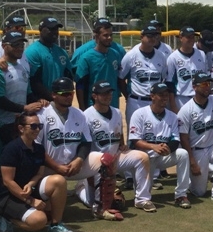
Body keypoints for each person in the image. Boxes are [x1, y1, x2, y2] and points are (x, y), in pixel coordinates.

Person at [0, 31, 45, 224]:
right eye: (15, 45)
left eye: (21, 45)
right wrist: (24, 108)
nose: (20, 48)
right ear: (4, 46)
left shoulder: (22, 68)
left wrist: (39, 101)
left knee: (16, 168)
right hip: (2, 125)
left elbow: (28, 93)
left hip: (19, 126)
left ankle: (13, 205)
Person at [38, 77, 115, 217]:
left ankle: (101, 207)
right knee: (46, 215)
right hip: (48, 169)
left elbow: (86, 142)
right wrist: (56, 166)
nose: (69, 97)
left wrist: (79, 159)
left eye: (71, 93)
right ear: (53, 94)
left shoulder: (79, 114)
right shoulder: (41, 114)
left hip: (74, 165)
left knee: (106, 160)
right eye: (64, 94)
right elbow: (36, 149)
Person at [0, 113, 75, 232]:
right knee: (39, 220)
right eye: (33, 126)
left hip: (28, 190)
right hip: (8, 195)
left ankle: (56, 225)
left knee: (59, 181)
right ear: (21, 128)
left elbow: (39, 173)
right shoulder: (11, 149)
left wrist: (31, 184)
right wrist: (30, 200)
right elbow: (8, 181)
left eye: (39, 126)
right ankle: (7, 218)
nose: (37, 129)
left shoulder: (39, 149)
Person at [82, 81, 153, 213]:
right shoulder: (86, 115)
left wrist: (122, 144)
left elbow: (118, 132)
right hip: (97, 164)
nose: (108, 96)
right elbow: (84, 144)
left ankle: (142, 199)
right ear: (94, 96)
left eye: (109, 92)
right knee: (91, 202)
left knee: (142, 157)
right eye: (103, 94)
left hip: (115, 158)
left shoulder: (116, 112)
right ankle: (81, 189)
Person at [128, 82, 193, 209]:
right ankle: (142, 195)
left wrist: (166, 149)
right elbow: (135, 140)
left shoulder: (172, 116)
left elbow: (175, 139)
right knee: (142, 192)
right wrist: (154, 147)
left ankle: (181, 195)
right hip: (144, 159)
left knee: (182, 154)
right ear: (152, 96)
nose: (165, 98)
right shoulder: (139, 114)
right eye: (161, 95)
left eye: (166, 95)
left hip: (162, 156)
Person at [178, 74, 213, 204]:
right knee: (199, 192)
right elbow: (184, 138)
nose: (207, 87)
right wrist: (192, 162)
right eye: (203, 84)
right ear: (194, 87)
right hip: (196, 150)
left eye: (208, 84)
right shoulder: (186, 110)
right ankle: (193, 181)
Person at [119, 25, 167, 124]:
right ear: (141, 37)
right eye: (149, 36)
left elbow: (163, 79)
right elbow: (120, 78)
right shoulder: (130, 56)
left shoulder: (161, 57)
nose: (152, 39)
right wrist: (127, 95)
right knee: (133, 134)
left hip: (155, 101)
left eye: (155, 36)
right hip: (136, 101)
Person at [75, 18, 122, 110]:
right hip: (94, 105)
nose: (109, 38)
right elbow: (80, 84)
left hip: (113, 103)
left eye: (111, 35)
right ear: (97, 36)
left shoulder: (115, 54)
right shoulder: (86, 57)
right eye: (105, 35)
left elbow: (119, 78)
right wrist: (82, 106)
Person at [24, 17, 71, 102]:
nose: (55, 32)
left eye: (56, 29)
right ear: (41, 30)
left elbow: (68, 76)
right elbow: (34, 82)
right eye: (51, 29)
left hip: (59, 100)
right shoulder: (32, 51)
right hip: (40, 101)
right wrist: (52, 99)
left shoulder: (62, 52)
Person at [166, 26, 208, 112]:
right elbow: (170, 85)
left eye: (193, 37)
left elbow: (206, 78)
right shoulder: (173, 58)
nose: (191, 39)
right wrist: (173, 107)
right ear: (181, 38)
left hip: (199, 97)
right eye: (188, 37)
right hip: (182, 99)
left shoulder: (201, 54)